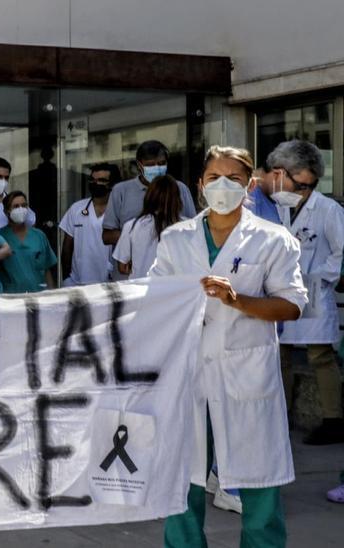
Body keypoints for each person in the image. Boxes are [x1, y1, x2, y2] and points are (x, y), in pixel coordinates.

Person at [153, 145, 306, 548]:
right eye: (215, 178)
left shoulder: (274, 240)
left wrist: (237, 300)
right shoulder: (176, 239)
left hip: (246, 377)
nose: (224, 186)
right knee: (182, 487)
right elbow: (152, 299)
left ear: (251, 185)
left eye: (234, 179)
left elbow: (291, 306)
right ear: (200, 185)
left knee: (259, 488)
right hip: (187, 376)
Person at [269, 140, 344, 445]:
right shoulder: (276, 204)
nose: (303, 191)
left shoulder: (328, 209)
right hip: (281, 289)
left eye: (308, 185)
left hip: (313, 287)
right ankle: (279, 417)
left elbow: (341, 252)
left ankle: (333, 420)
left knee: (320, 355)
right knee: (281, 354)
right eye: (298, 183)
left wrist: (321, 277)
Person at [102, 140, 198, 245]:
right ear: (139, 165)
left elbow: (194, 229)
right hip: (135, 260)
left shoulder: (180, 189)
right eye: (150, 165)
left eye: (161, 163)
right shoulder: (120, 191)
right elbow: (107, 236)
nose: (157, 168)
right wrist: (139, 236)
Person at [112, 175, 185, 280]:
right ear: (177, 199)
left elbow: (122, 267)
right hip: (173, 290)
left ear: (149, 196)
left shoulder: (132, 226)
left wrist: (140, 268)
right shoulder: (187, 227)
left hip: (140, 289)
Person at [59, 164, 117, 286]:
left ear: (112, 184)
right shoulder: (76, 209)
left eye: (101, 180)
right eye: (93, 180)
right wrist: (66, 278)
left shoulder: (119, 210)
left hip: (111, 282)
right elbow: (67, 247)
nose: (96, 183)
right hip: (78, 282)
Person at [0, 191, 57, 293]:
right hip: (10, 299)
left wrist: (52, 296)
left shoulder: (39, 236)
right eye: (16, 206)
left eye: (24, 205)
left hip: (38, 296)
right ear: (6, 211)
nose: (21, 209)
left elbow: (47, 270)